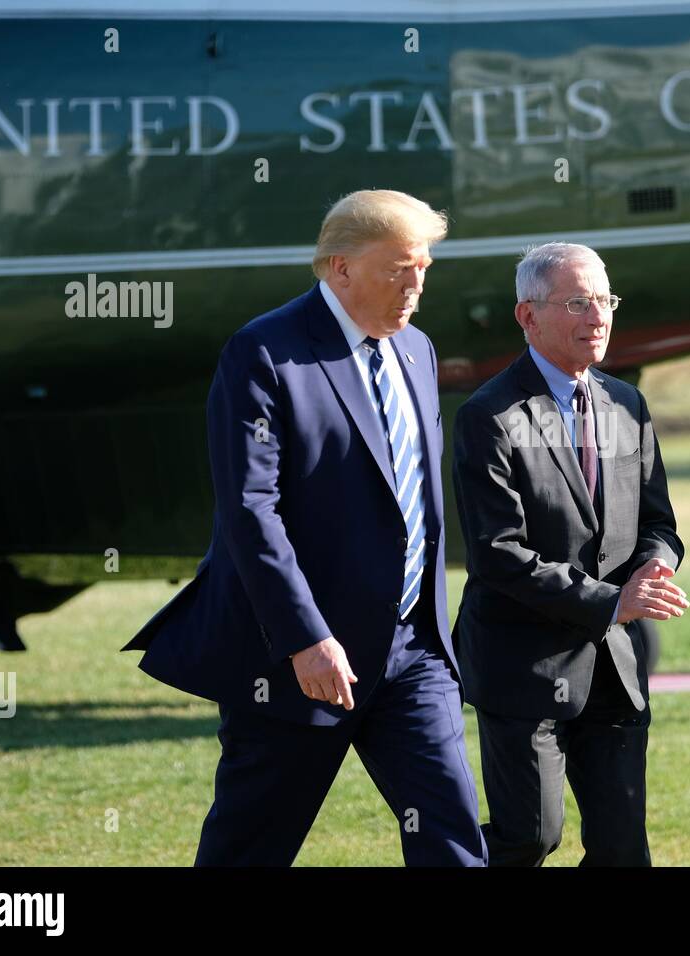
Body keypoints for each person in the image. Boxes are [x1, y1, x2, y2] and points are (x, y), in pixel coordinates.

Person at [123, 189, 486, 867]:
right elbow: (249, 511)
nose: (414, 287)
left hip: (412, 655)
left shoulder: (417, 350)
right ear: (339, 268)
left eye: (425, 268)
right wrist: (305, 638)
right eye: (396, 269)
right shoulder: (265, 352)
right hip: (296, 662)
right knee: (248, 849)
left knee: (453, 841)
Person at [452, 242, 687, 866]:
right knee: (531, 836)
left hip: (615, 667)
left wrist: (655, 563)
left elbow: (658, 522)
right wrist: (613, 601)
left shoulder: (626, 404)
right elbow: (498, 554)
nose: (598, 317)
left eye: (605, 300)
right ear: (528, 317)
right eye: (577, 303)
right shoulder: (490, 416)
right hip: (525, 667)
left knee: (622, 852)